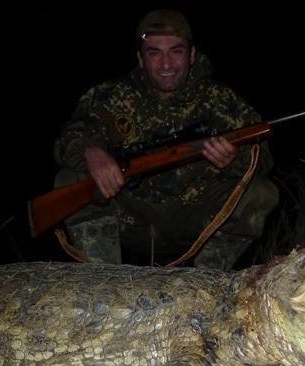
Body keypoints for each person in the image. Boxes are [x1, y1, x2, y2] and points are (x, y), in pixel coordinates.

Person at [52, 9, 278, 270]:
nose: (166, 64)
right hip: (131, 219)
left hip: (196, 219)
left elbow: (264, 158)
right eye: (154, 53)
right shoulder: (109, 96)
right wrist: (91, 152)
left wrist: (234, 159)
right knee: (70, 180)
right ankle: (104, 280)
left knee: (261, 193)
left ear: (192, 55)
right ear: (140, 58)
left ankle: (203, 283)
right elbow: (69, 136)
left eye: (176, 51)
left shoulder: (220, 99)